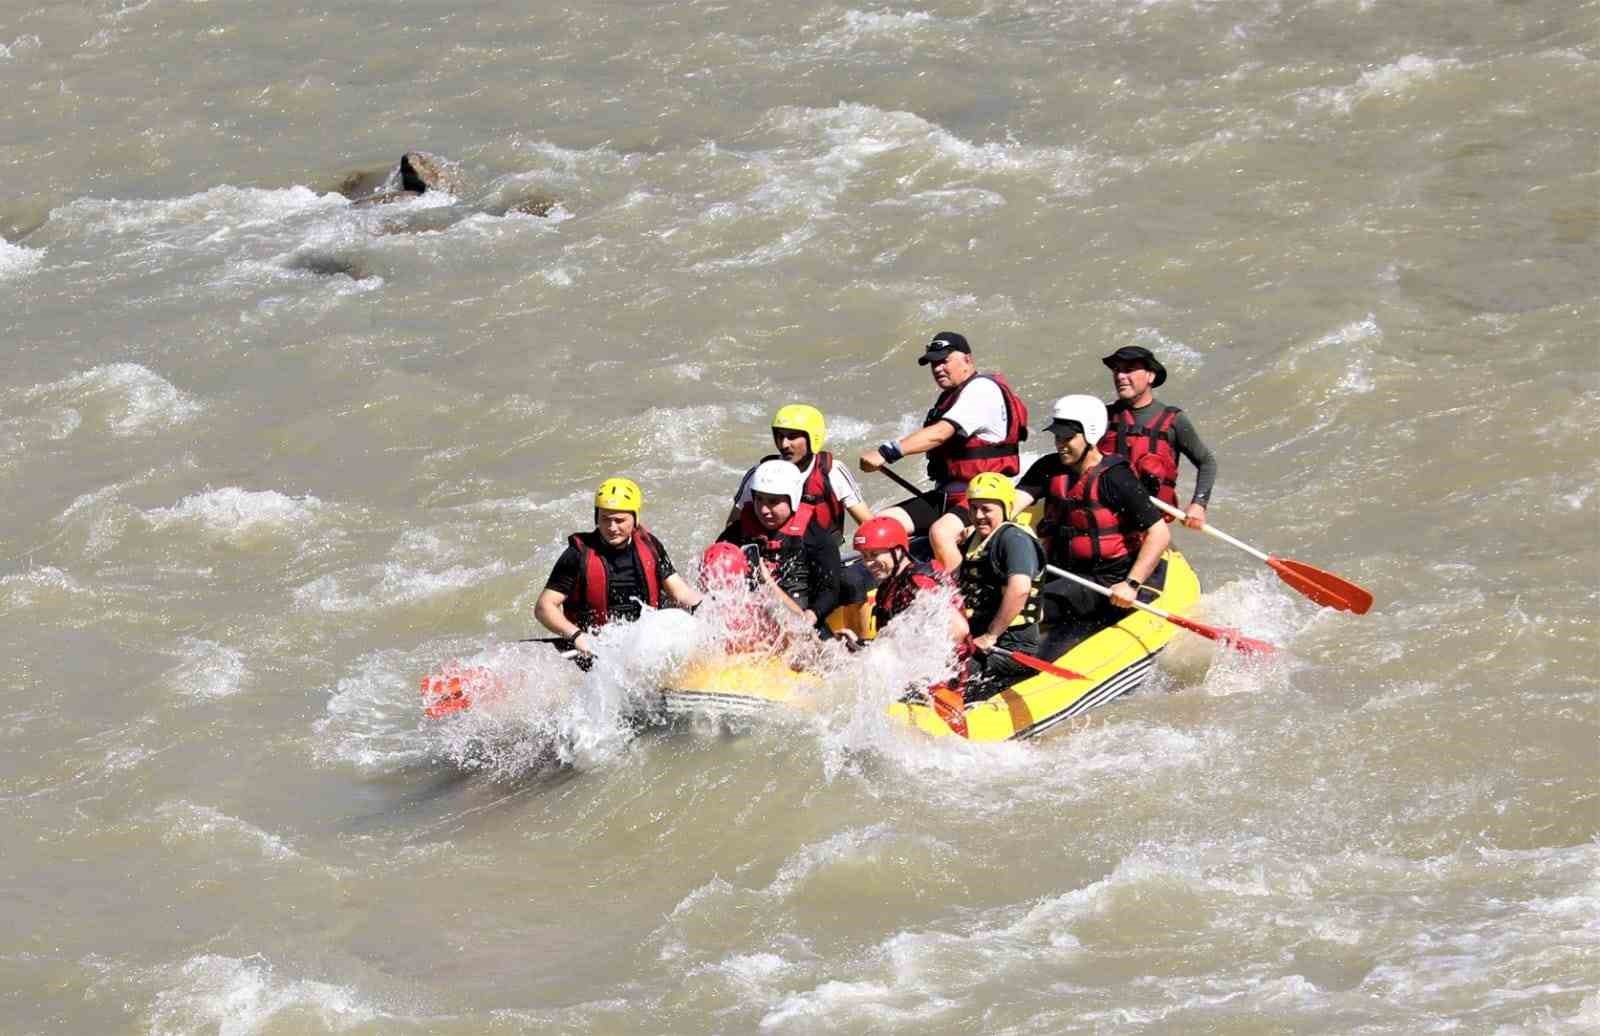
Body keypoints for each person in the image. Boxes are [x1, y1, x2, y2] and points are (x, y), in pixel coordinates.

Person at [858, 332, 1029, 574]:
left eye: (944, 360)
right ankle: (903, 586)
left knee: (941, 533)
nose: (938, 368)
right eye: (934, 364)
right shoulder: (951, 396)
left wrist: (886, 452)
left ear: (967, 359)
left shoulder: (982, 389)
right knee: (882, 526)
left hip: (982, 497)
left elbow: (939, 433)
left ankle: (956, 593)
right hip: (947, 496)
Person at [1027, 396, 1171, 648]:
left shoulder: (1116, 478)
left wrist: (1131, 584)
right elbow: (1013, 501)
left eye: (1067, 437)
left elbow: (1159, 533)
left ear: (1090, 434)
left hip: (1105, 578)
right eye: (1057, 436)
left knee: (1027, 607)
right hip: (1063, 569)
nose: (1060, 444)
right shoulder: (1048, 468)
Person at [534, 477, 704, 658]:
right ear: (596, 517)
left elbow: (680, 592)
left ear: (635, 519)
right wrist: (576, 636)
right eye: (605, 519)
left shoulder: (651, 546)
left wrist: (709, 611)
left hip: (645, 643)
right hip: (596, 649)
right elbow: (544, 607)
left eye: (619, 520)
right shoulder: (577, 555)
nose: (612, 527)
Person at [716, 459, 842, 638]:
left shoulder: (816, 536)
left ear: (793, 498)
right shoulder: (738, 531)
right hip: (751, 619)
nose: (764, 510)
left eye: (773, 502)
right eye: (759, 499)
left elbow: (830, 589)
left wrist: (812, 614)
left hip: (799, 617)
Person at [1097, 345, 1217, 529]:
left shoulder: (1174, 420)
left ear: (1150, 376)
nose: (1120, 376)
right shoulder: (1100, 416)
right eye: (1117, 370)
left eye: (1129, 369)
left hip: (1150, 526)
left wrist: (1199, 504)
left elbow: (1207, 462)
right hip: (1106, 523)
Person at [957, 472, 1046, 701]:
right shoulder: (975, 539)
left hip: (1012, 645)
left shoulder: (1014, 540)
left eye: (986, 509)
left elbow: (1020, 589)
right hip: (978, 634)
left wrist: (990, 635)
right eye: (973, 508)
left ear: (1005, 508)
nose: (978, 515)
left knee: (952, 674)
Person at [726, 404, 872, 543]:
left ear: (813, 438)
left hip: (823, 555)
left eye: (792, 437)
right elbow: (732, 528)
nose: (784, 444)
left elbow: (868, 525)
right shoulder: (759, 474)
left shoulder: (833, 472)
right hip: (771, 554)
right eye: (780, 436)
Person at [837, 516, 968, 648]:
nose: (868, 563)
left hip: (948, 660)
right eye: (865, 556)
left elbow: (959, 630)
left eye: (874, 554)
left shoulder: (918, 582)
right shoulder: (888, 586)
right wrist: (860, 644)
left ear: (898, 550)